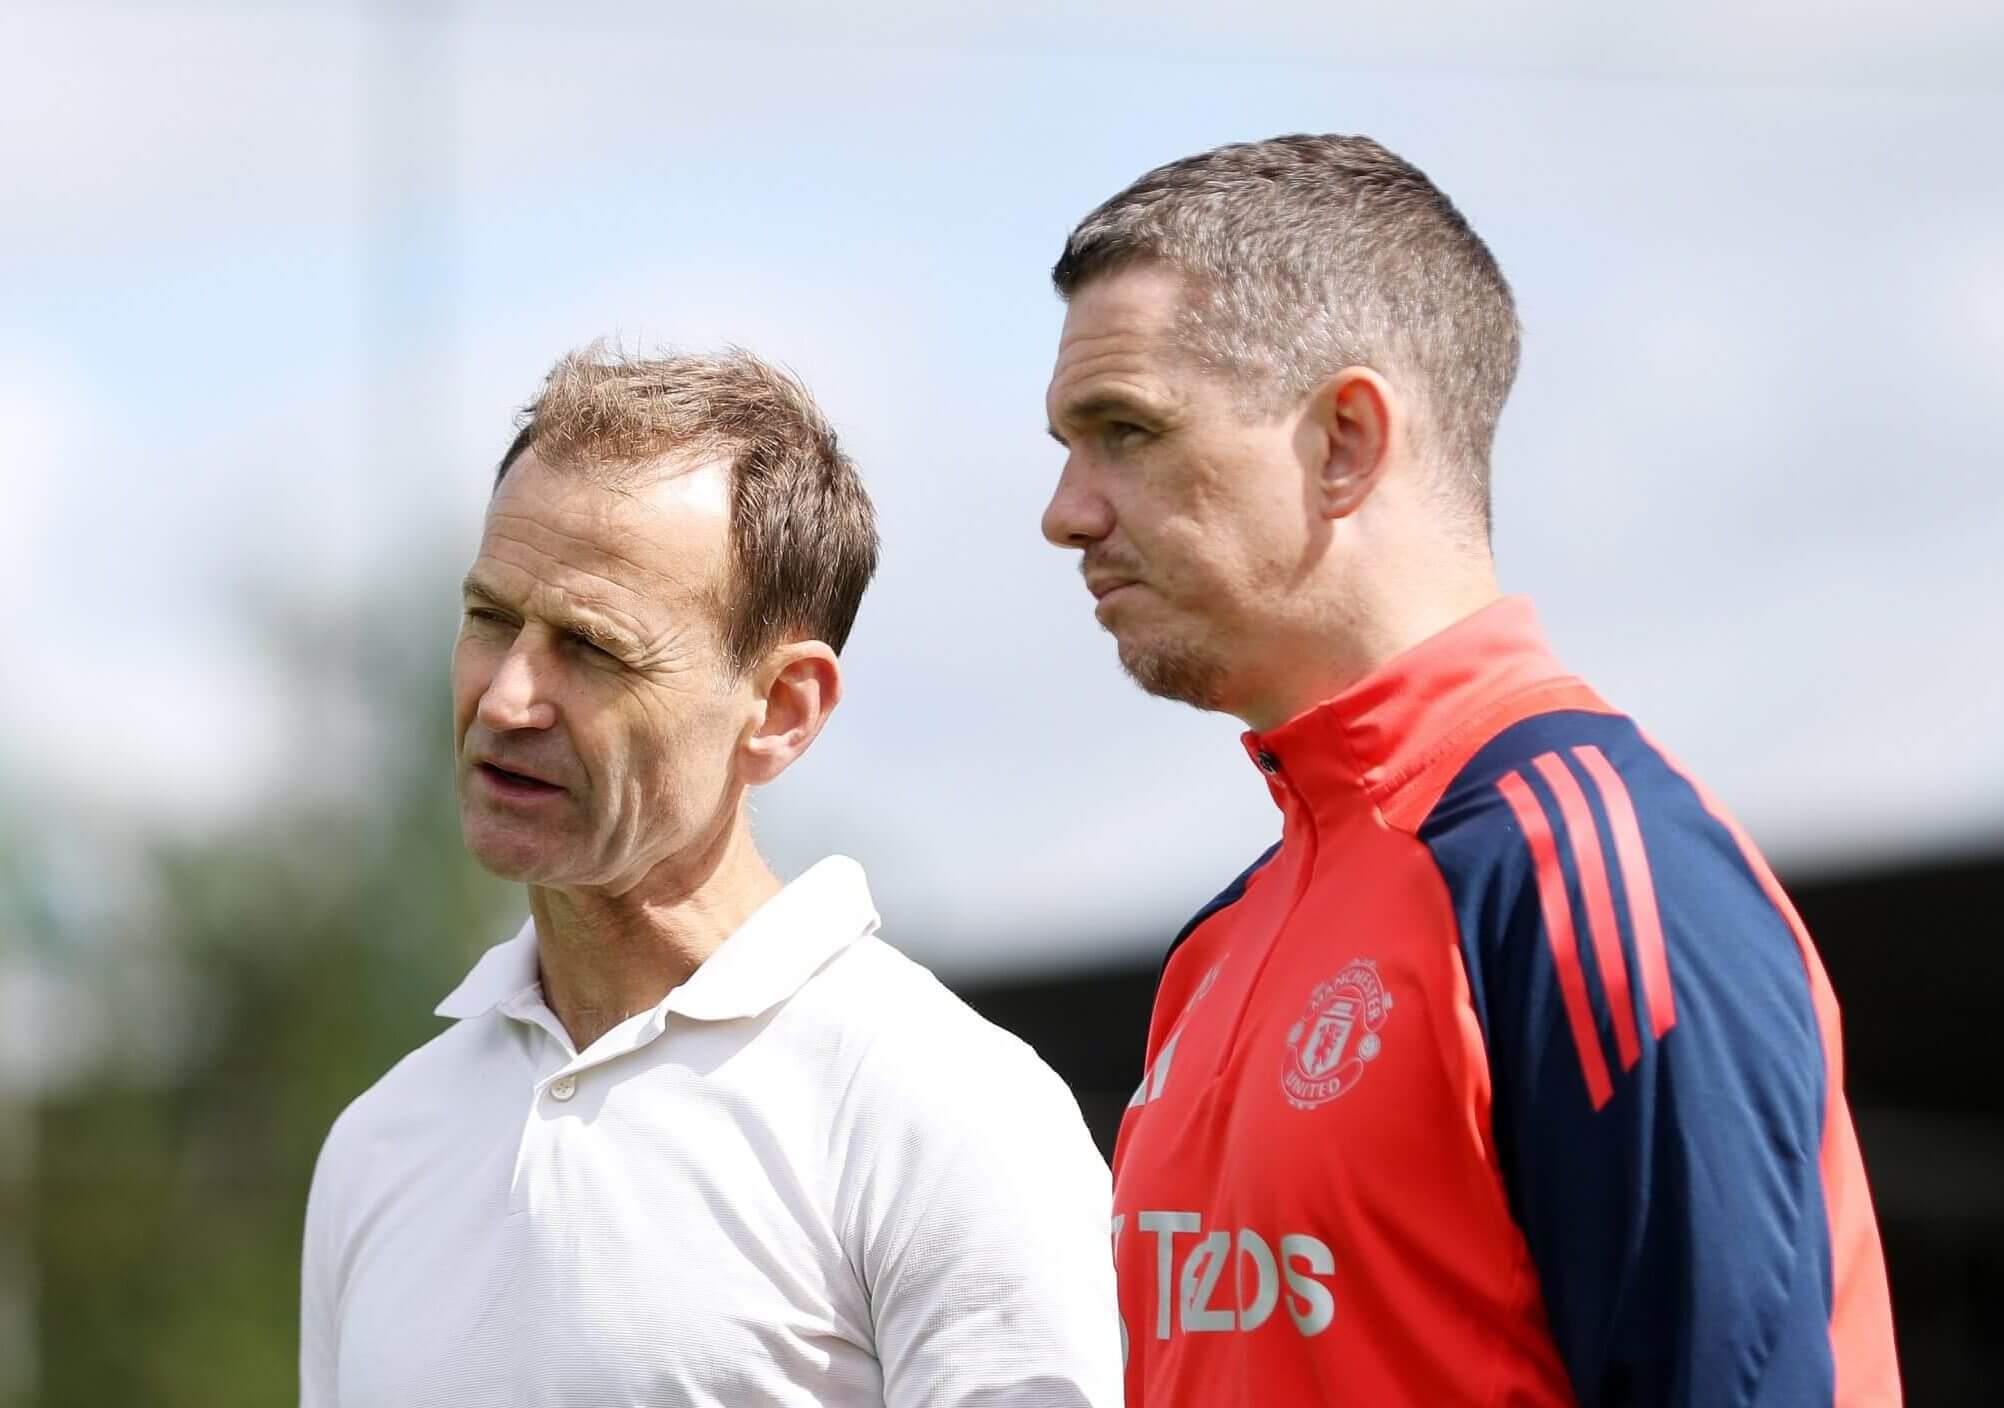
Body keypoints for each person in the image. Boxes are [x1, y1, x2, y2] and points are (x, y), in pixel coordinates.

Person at [1039, 134, 1901, 1406]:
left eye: (1126, 431)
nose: (1066, 508)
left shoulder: (1589, 871)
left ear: (1345, 438)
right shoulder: (1222, 943)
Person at [301, 345, 1121, 1407]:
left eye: (592, 648)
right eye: (490, 619)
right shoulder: (380, 1143)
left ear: (783, 710)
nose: (506, 699)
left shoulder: (943, 1109)